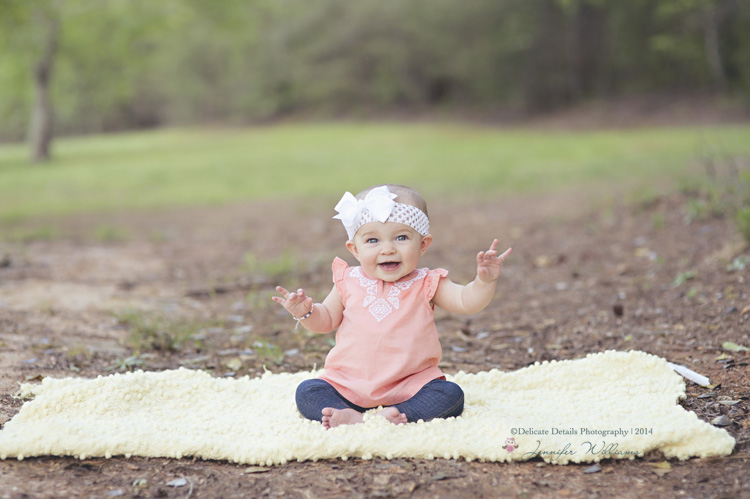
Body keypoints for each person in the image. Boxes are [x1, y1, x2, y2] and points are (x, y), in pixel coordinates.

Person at [273, 184, 511, 429]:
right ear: (354, 249)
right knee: (308, 391)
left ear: (423, 244)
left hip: (410, 385)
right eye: (373, 240)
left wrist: (484, 280)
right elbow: (325, 321)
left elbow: (466, 301)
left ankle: (397, 413)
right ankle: (345, 413)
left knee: (450, 395)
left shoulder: (427, 282)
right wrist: (305, 312)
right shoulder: (348, 280)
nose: (387, 248)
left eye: (401, 238)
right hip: (347, 384)